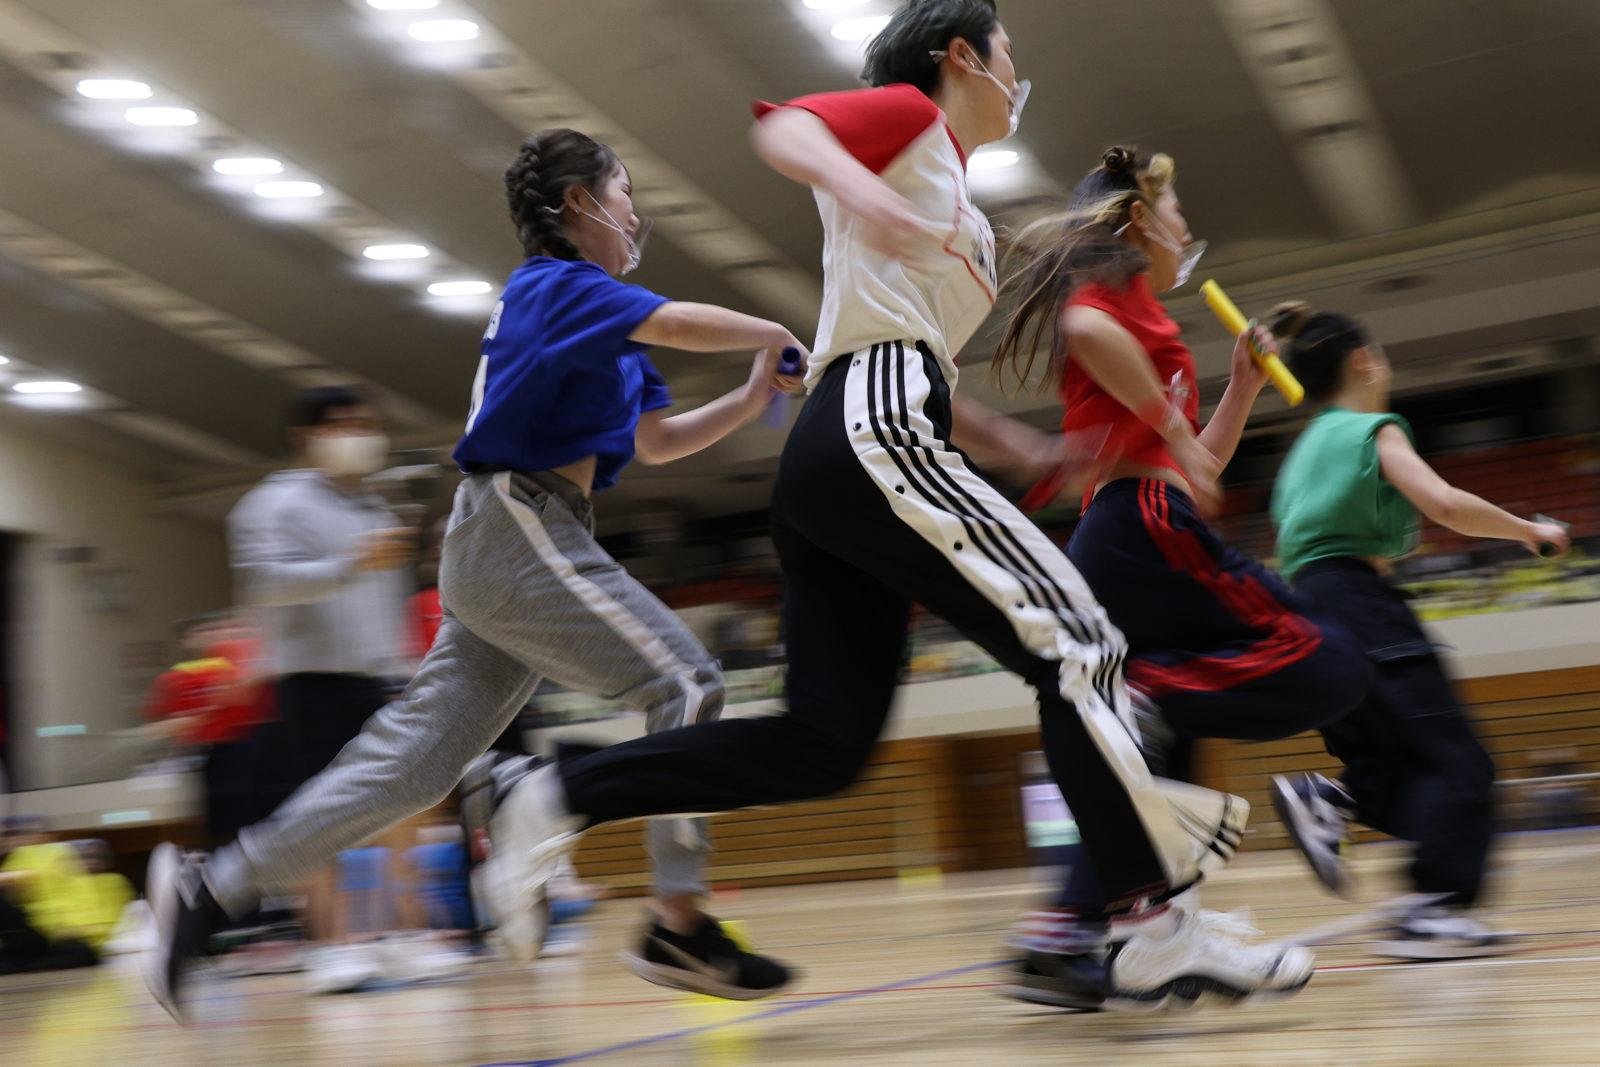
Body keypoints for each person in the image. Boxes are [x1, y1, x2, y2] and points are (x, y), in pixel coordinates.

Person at [454, 0, 1298, 1015]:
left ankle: (552, 791)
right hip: (868, 431)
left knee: (826, 743)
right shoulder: (909, 116)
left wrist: (1011, 440)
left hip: (854, 443)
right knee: (1080, 644)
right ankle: (1150, 925)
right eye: (1005, 53)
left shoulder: (962, 207)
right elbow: (786, 127)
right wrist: (869, 195)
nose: (1014, 71)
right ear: (958, 58)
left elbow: (902, 340)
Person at [145, 125, 812, 1020]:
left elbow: (657, 440)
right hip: (517, 523)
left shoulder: (604, 329)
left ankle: (214, 885)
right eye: (623, 194)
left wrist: (751, 395)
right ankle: (680, 921)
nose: (636, 212)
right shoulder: (556, 284)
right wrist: (772, 329)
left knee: (410, 771)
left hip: (519, 539)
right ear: (577, 205)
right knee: (686, 681)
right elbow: (678, 319)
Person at [990, 144, 1374, 1004]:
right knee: (1330, 660)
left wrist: (1233, 387)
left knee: (1157, 759)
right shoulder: (1112, 304)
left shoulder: (1144, 318)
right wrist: (1167, 420)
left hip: (1124, 532)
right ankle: (1146, 697)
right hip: (1143, 526)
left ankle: (1073, 928)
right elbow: (1087, 333)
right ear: (1138, 225)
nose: (1187, 235)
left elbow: (1200, 459)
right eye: (1179, 221)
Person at [1265, 300, 1570, 958]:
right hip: (1360, 601)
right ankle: (1434, 908)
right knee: (1461, 760)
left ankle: (1336, 798)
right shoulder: (1371, 427)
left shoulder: (1297, 456)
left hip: (1305, 609)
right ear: (1361, 360)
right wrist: (1529, 531)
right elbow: (1443, 503)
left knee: (1393, 761)